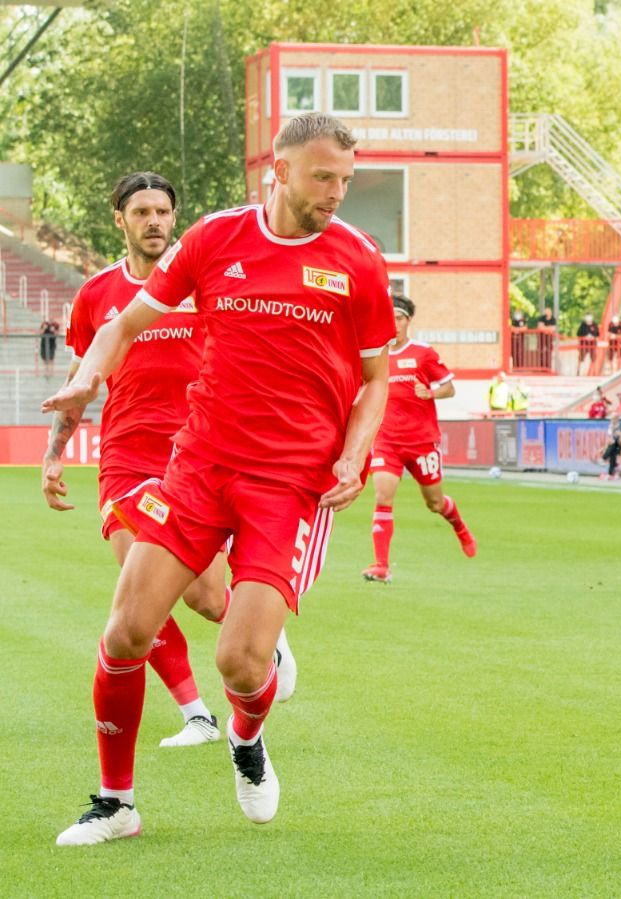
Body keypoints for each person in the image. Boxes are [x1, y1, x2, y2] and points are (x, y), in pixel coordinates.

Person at [43, 113, 394, 845]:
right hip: (197, 465)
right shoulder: (215, 237)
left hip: (290, 483)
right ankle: (117, 803)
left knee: (240, 661)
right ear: (280, 169)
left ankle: (244, 737)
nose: (336, 192)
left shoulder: (357, 259)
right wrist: (83, 382)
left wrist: (355, 453)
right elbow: (124, 323)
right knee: (127, 630)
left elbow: (376, 377)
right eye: (323, 176)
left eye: (346, 180)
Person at [44, 171, 255, 751]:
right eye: (142, 212)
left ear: (174, 217)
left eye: (163, 211)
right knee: (135, 597)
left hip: (197, 455)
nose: (154, 221)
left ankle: (266, 640)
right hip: (126, 456)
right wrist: (54, 454)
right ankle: (197, 714)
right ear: (121, 220)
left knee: (207, 599)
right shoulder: (95, 295)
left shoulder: (204, 284)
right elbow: (81, 379)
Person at [362, 294, 476, 584]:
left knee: (435, 503)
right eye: (390, 318)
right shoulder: (375, 355)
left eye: (399, 318)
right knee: (382, 496)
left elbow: (449, 388)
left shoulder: (423, 353)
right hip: (387, 440)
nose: (394, 324)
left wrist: (431, 393)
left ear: (408, 321)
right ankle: (381, 566)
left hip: (422, 442)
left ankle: (460, 527)